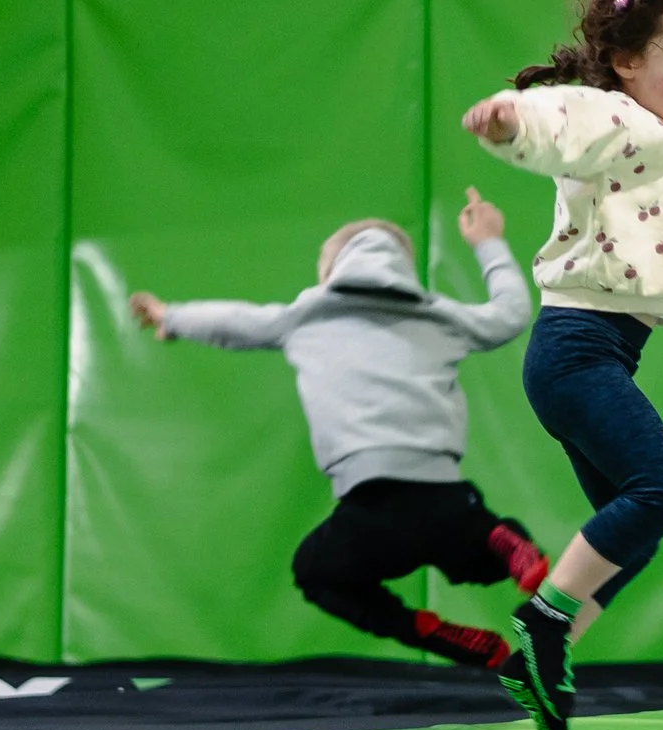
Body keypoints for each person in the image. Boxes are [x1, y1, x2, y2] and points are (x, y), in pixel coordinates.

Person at [464, 0, 663, 730]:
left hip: (597, 353)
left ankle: (539, 658)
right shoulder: (614, 116)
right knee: (661, 493)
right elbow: (562, 119)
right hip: (577, 350)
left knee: (635, 533)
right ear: (626, 61)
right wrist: (511, 122)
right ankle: (546, 622)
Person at [129, 200, 539, 668]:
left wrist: (171, 317)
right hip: (446, 496)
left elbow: (235, 321)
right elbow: (510, 314)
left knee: (317, 572)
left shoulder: (305, 316)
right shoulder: (439, 315)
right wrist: (488, 243)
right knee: (483, 559)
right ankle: (500, 537)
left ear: (331, 272)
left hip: (370, 502)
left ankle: (426, 630)